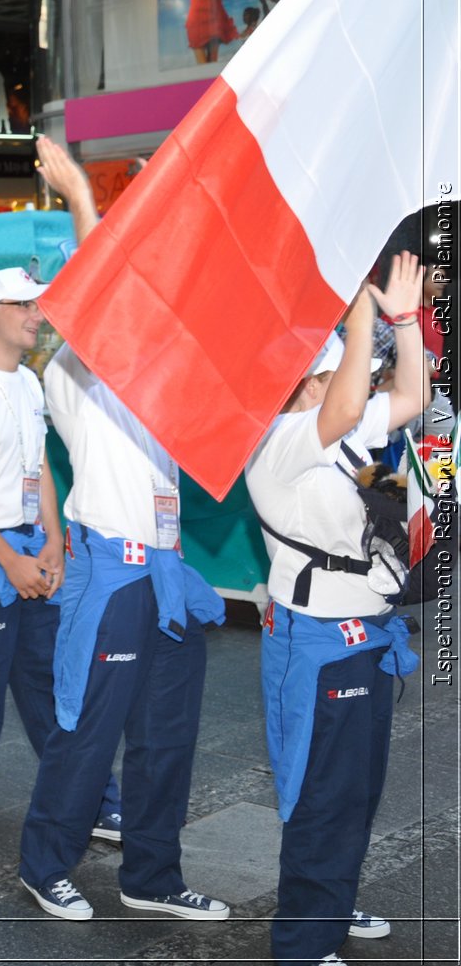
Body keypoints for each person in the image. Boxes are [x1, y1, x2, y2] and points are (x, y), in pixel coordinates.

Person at [17, 137, 228, 924]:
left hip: (169, 574)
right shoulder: (70, 373)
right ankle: (45, 862)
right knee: (86, 725)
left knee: (166, 737)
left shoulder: (161, 383)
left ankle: (153, 873)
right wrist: (80, 196)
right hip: (110, 576)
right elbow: (105, 300)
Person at [245, 252, 428, 966]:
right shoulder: (279, 441)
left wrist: (406, 320)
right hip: (316, 642)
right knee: (321, 793)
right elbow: (352, 404)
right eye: (339, 369)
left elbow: (410, 394)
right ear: (312, 380)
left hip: (364, 633)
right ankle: (303, 943)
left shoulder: (336, 434)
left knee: (356, 786)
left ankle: (332, 899)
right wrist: (358, 301)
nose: (358, 377)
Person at [0, 268, 123, 841]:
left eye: (39, 307)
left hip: (30, 554)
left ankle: (94, 799)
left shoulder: (31, 385)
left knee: (51, 684)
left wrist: (54, 542)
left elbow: (39, 469)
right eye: (25, 306)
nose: (38, 316)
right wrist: (9, 560)